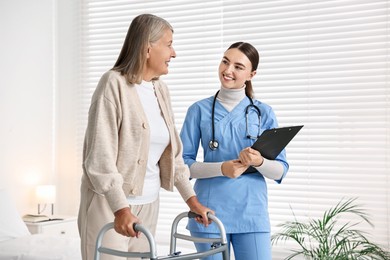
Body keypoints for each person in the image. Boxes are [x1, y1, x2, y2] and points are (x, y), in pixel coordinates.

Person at [78, 14, 213, 260]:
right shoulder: (113, 84)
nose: (174, 53)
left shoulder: (160, 89)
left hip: (149, 204)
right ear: (147, 47)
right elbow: (99, 157)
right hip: (111, 207)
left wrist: (191, 201)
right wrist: (121, 209)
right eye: (169, 44)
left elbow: (174, 155)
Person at [179, 42, 289, 260]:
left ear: (251, 74)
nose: (228, 70)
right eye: (225, 61)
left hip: (251, 212)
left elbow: (280, 171)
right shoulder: (198, 110)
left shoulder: (263, 113)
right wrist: (222, 168)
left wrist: (259, 162)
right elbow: (182, 166)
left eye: (238, 67)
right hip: (209, 213)